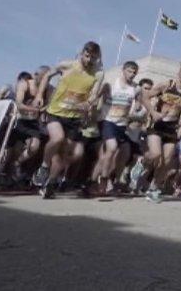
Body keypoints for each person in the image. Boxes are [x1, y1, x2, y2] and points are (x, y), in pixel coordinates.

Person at [32, 42, 104, 199]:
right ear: (81, 53)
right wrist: (39, 95)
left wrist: (88, 103)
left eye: (93, 58)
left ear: (97, 58)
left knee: (70, 154)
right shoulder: (67, 65)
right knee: (57, 138)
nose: (89, 60)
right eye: (87, 56)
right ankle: (44, 166)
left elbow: (94, 93)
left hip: (75, 118)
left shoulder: (98, 73)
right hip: (56, 112)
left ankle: (50, 183)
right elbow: (47, 76)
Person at [143, 62, 181, 203]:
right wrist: (153, 112)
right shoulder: (168, 84)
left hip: (172, 128)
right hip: (157, 124)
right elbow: (144, 97)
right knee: (155, 154)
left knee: (166, 161)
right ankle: (144, 160)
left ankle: (154, 188)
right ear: (179, 73)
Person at [92, 61, 143, 195]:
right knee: (112, 147)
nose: (132, 74)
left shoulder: (136, 88)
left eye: (134, 72)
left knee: (108, 156)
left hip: (121, 124)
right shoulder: (111, 84)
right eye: (129, 71)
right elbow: (96, 97)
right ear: (123, 70)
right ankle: (103, 179)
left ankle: (91, 182)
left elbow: (139, 99)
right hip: (107, 121)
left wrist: (137, 106)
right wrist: (91, 108)